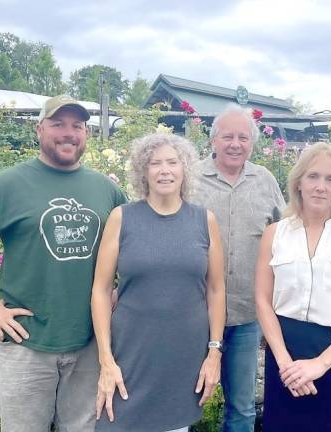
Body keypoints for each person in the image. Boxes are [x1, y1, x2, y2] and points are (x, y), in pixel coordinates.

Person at [0, 95, 127, 431]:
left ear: (86, 134)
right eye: (58, 124)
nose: (69, 133)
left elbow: (135, 250)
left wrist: (123, 293)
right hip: (27, 348)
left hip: (92, 348)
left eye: (77, 126)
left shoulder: (106, 190)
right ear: (39, 129)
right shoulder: (8, 185)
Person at [91, 133, 226, 432]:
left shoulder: (205, 221)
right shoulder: (122, 218)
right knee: (115, 420)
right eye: (155, 163)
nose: (164, 170)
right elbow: (100, 290)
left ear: (185, 169)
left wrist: (214, 352)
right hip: (130, 355)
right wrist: (105, 359)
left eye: (172, 162)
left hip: (182, 357)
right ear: (143, 171)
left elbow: (216, 290)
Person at [255, 143, 331, 431]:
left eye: (330, 179)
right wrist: (285, 363)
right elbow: (262, 300)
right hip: (284, 356)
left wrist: (320, 364)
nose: (320, 187)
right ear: (299, 182)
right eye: (313, 177)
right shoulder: (275, 234)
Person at [192, 104, 285, 432]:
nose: (235, 144)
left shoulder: (265, 180)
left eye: (242, 137)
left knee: (242, 407)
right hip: (194, 312)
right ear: (213, 140)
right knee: (184, 400)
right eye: (227, 136)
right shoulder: (190, 178)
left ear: (252, 143)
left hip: (247, 314)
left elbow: (284, 232)